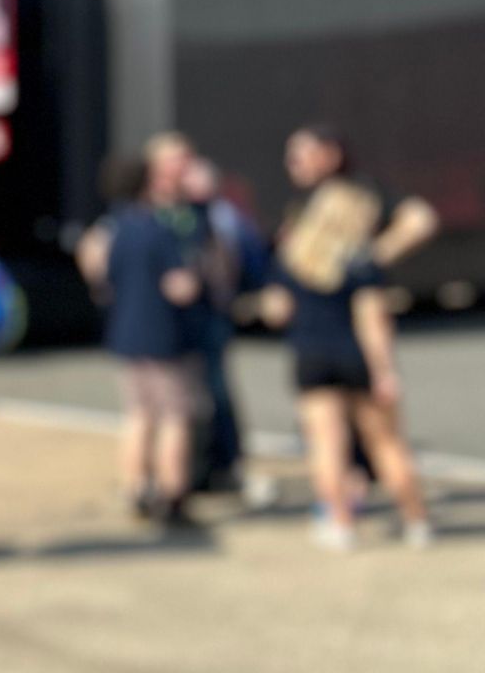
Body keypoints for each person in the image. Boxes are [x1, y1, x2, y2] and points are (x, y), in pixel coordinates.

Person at [260, 125, 437, 551]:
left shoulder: (293, 258)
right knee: (386, 442)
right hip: (356, 353)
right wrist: (384, 369)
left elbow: (276, 307)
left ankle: (338, 523)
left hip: (311, 351)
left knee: (326, 444)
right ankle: (416, 520)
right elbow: (372, 317)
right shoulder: (360, 265)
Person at [80, 138, 210, 526]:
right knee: (175, 416)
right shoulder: (157, 230)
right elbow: (179, 286)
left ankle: (136, 488)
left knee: (137, 414)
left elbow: (97, 273)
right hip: (163, 335)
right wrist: (197, 281)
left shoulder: (112, 229)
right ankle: (174, 495)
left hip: (125, 332)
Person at [180, 156, 252, 494]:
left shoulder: (223, 218)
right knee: (190, 396)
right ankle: (196, 467)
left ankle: (225, 462)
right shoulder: (178, 217)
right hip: (190, 320)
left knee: (217, 393)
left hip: (213, 316)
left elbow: (245, 258)